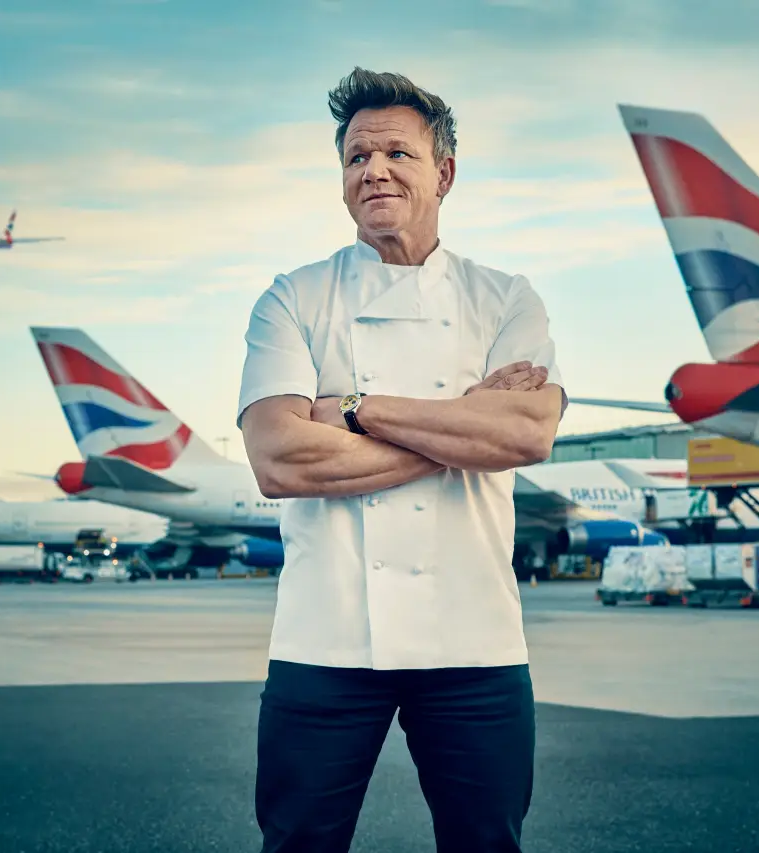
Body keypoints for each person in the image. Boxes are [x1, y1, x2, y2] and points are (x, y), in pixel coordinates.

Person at [236, 67, 568, 853]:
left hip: (476, 639)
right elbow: (279, 459)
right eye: (356, 157)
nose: (373, 171)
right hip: (323, 637)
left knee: (487, 844)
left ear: (444, 173)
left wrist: (354, 409)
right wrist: (464, 426)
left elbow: (525, 435)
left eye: (396, 153)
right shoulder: (293, 298)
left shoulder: (505, 298)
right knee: (297, 844)